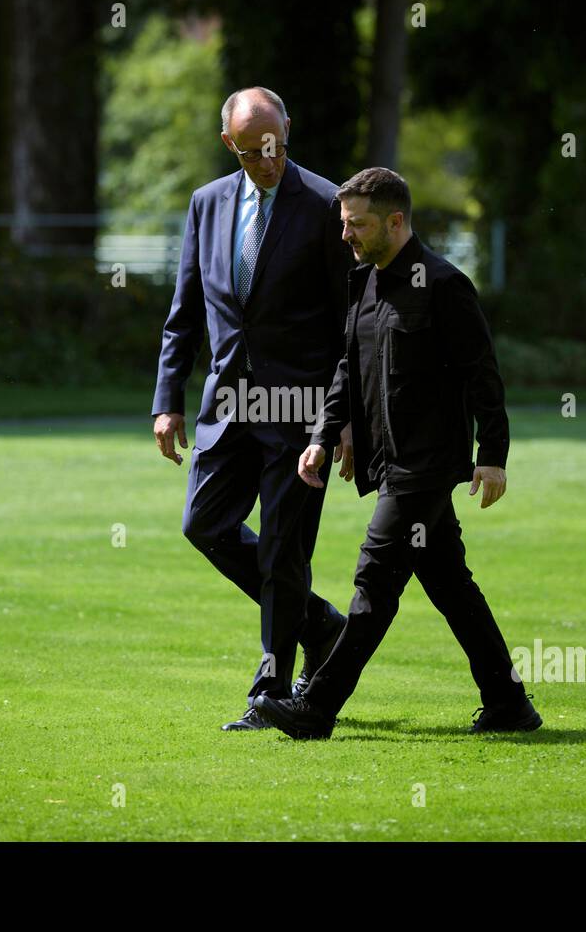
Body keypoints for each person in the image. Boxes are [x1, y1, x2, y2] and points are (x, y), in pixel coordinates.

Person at [253, 167, 542, 740]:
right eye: (343, 223)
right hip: (389, 462)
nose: (346, 236)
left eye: (356, 225)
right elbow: (347, 369)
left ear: (395, 220)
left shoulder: (444, 286)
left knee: (374, 579)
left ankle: (316, 710)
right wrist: (321, 435)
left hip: (426, 466)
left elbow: (483, 375)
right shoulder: (362, 283)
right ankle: (509, 703)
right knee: (450, 584)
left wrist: (493, 454)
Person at [151, 87, 355, 730]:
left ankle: (271, 689)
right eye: (251, 151)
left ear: (287, 131)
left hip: (301, 410)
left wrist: (343, 416)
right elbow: (185, 312)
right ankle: (321, 625)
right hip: (227, 404)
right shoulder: (206, 204)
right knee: (202, 525)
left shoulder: (327, 205)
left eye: (275, 147)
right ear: (229, 145)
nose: (267, 161)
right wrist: (168, 400)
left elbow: (352, 324)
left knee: (283, 552)